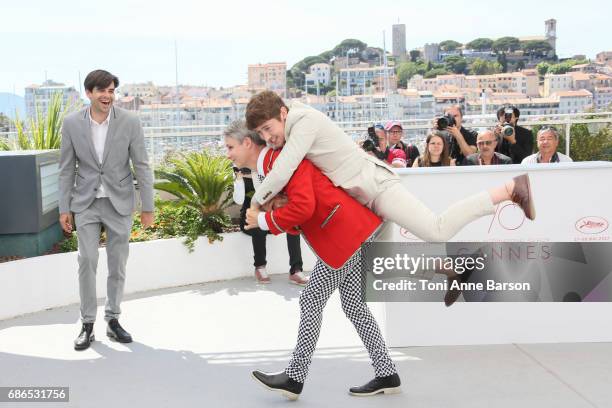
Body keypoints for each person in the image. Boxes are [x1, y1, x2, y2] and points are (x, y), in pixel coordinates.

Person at [224, 125, 400, 399]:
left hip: (346, 236)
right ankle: (387, 372)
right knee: (354, 305)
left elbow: (304, 206)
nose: (227, 154)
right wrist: (277, 215)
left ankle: (294, 377)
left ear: (248, 143)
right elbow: (301, 217)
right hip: (355, 232)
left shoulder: (282, 163)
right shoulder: (268, 169)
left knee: (311, 300)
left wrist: (263, 219)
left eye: (230, 147)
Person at [244, 91, 536, 244]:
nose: (269, 138)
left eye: (269, 128)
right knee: (379, 264)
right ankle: (451, 274)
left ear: (283, 113)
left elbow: (283, 169)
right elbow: (277, 163)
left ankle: (509, 189)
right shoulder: (290, 127)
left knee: (437, 230)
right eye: (262, 134)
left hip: (376, 188)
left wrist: (256, 204)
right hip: (362, 198)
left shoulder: (303, 122)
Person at [58, 70, 154, 351]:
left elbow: (142, 165)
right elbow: (66, 169)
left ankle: (113, 320)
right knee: (86, 260)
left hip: (119, 201)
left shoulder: (130, 122)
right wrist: (65, 207)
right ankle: (87, 324)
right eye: (102, 91)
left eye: (112, 91)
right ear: (89, 93)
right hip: (86, 201)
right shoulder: (72, 124)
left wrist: (147, 206)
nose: (108, 96)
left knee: (117, 263)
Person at [227, 122, 308, 286]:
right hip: (253, 217)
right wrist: (239, 179)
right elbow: (241, 199)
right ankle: (260, 267)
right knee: (256, 221)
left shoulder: (270, 164)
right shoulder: (239, 166)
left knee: (292, 224)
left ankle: (296, 270)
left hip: (271, 213)